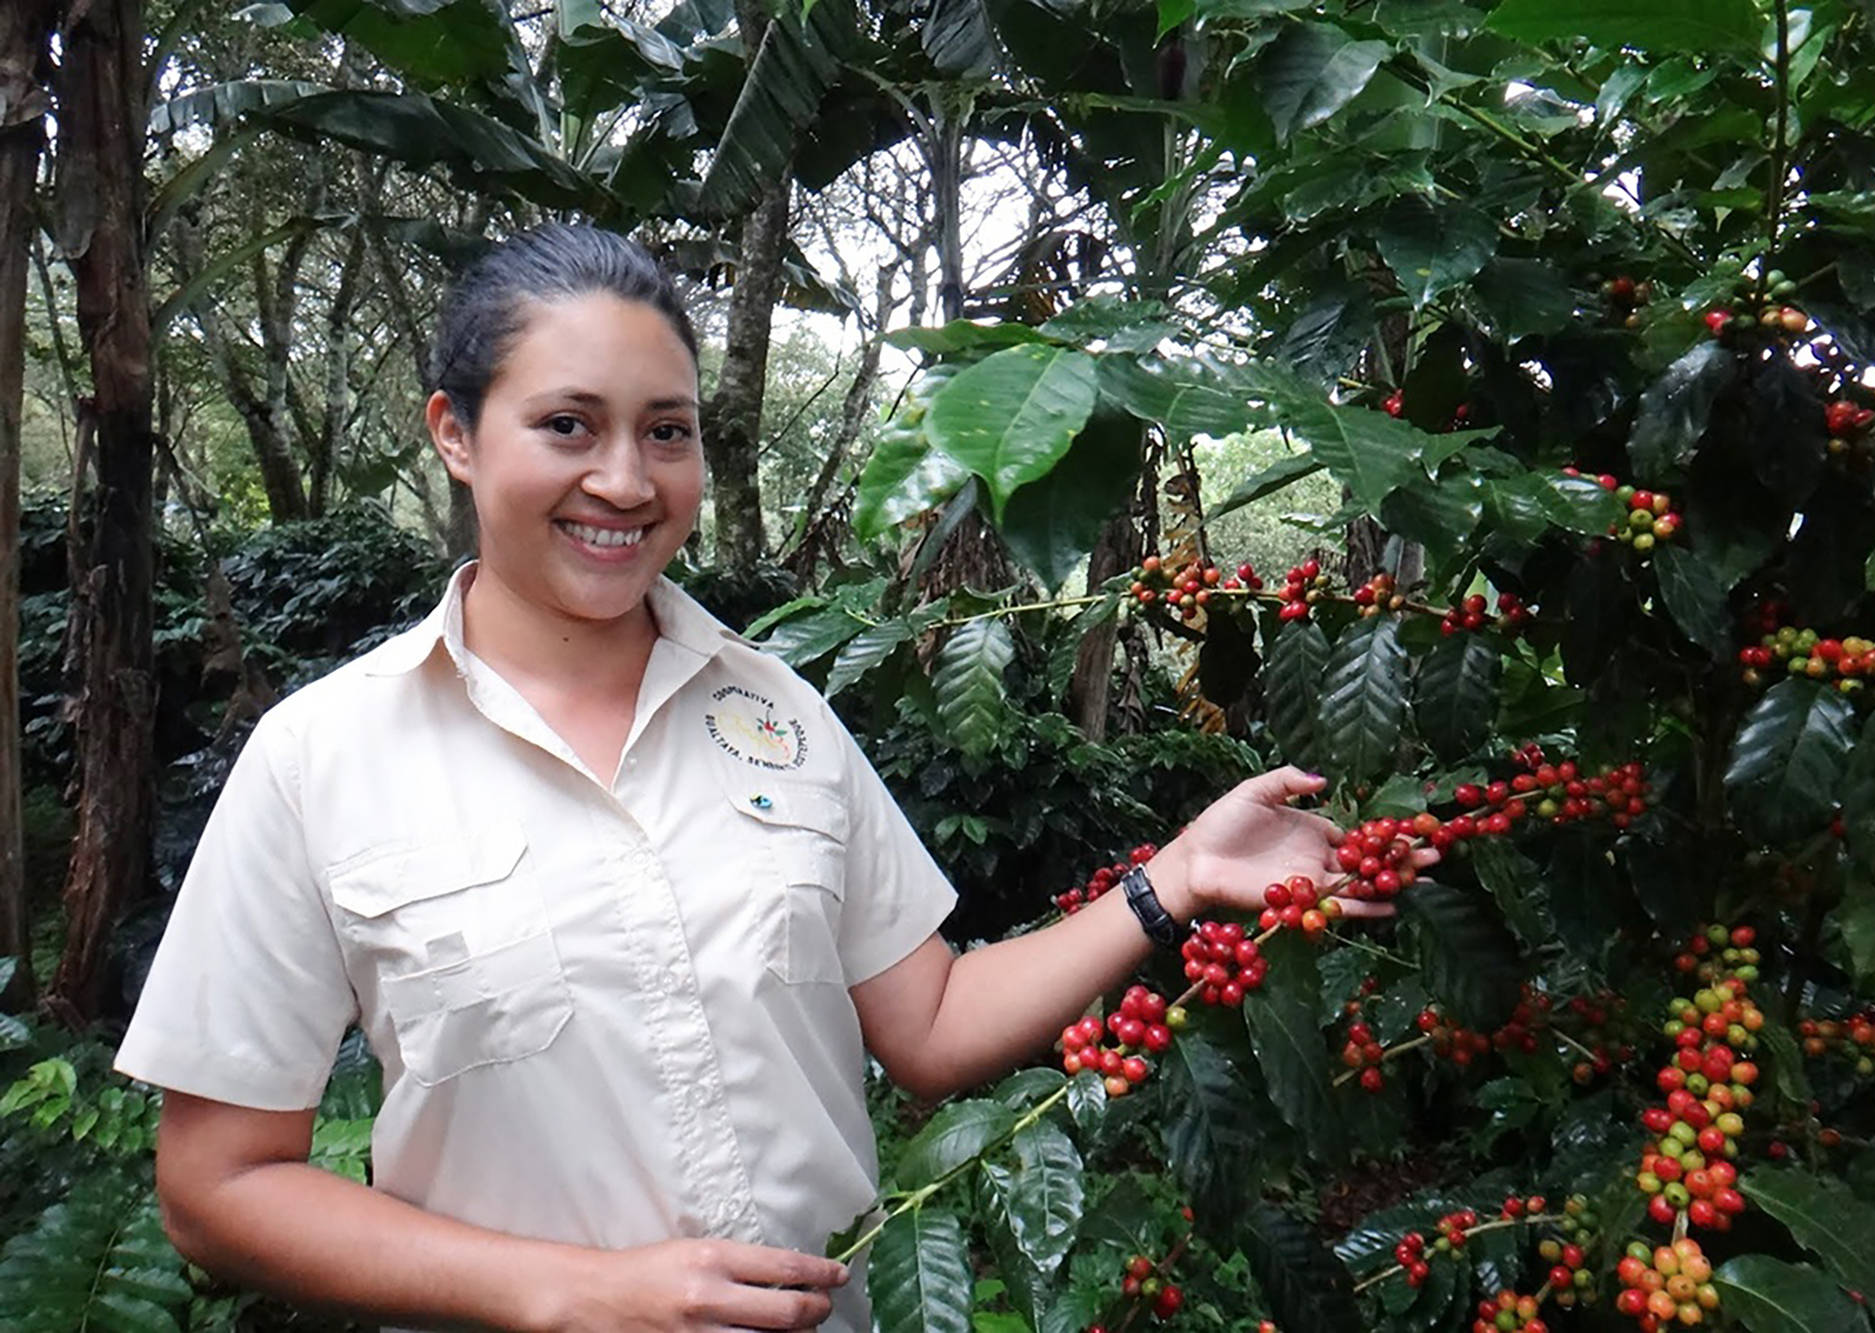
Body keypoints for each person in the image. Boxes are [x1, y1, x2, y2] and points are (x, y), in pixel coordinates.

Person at [115, 224, 1398, 1333]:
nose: (623, 480)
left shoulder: (774, 711)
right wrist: (567, 1291)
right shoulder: (322, 757)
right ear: (454, 433)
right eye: (567, 424)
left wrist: (1174, 875)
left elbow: (933, 1026)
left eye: (664, 432)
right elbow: (217, 1187)